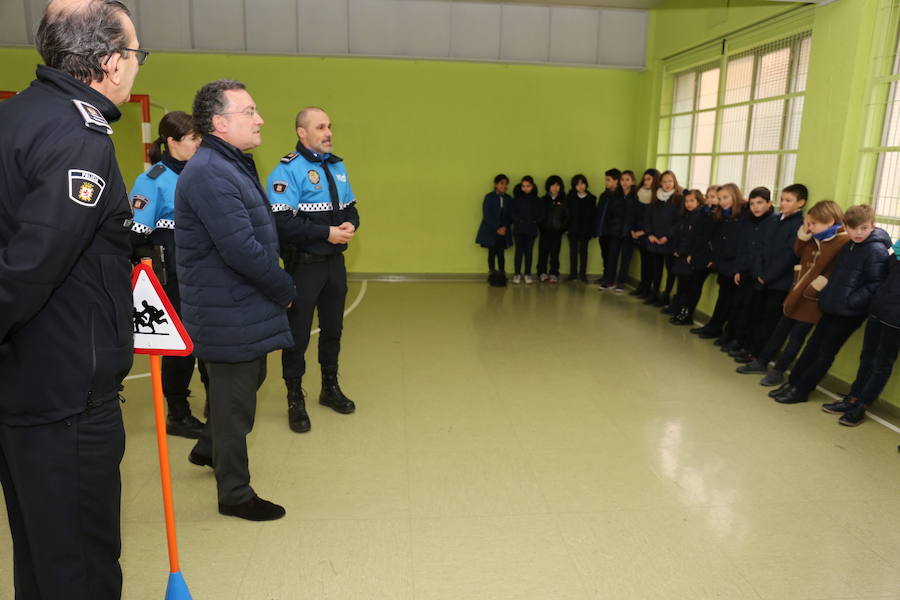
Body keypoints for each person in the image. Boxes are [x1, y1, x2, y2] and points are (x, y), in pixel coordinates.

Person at [0, 1, 143, 597]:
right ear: (111, 63)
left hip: (22, 378)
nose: (137, 65)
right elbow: (32, 266)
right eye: (136, 54)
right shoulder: (79, 134)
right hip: (66, 393)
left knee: (39, 550)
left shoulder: (17, 116)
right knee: (80, 565)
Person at [176, 79, 296, 521]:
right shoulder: (210, 172)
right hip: (228, 308)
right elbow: (241, 249)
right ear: (220, 123)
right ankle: (235, 493)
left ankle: (209, 448)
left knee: (238, 390)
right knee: (234, 404)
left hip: (237, 306)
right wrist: (284, 288)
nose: (260, 118)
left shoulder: (229, 163)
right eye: (249, 112)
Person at [267, 107, 359, 434]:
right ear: (302, 133)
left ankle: (329, 388)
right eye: (321, 127)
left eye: (330, 126)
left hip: (335, 265)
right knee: (298, 335)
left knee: (333, 329)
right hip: (303, 268)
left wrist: (350, 223)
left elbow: (350, 207)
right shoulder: (286, 170)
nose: (328, 132)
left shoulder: (337, 167)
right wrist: (325, 233)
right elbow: (282, 222)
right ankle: (295, 398)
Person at [129, 111, 207, 438]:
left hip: (206, 269)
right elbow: (136, 236)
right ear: (172, 142)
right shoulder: (152, 180)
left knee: (207, 338)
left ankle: (215, 401)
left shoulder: (204, 173)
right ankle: (177, 411)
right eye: (192, 138)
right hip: (173, 272)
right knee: (182, 345)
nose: (198, 144)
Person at [772, 206, 890, 405]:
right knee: (812, 347)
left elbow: (874, 285)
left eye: (864, 228)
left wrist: (850, 302)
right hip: (831, 306)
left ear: (873, 226)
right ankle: (793, 383)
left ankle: (802, 390)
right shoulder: (849, 246)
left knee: (825, 352)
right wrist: (828, 296)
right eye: (853, 228)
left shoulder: (875, 250)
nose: (858, 233)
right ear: (845, 227)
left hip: (849, 313)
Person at [764, 201, 849, 402]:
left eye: (813, 224)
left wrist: (815, 288)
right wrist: (804, 231)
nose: (809, 227)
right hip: (798, 290)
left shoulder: (841, 240)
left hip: (812, 298)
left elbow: (832, 270)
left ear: (829, 222)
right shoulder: (817, 235)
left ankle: (781, 372)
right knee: (782, 328)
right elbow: (798, 250)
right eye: (807, 223)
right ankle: (770, 365)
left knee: (797, 338)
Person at [824, 239, 900, 426]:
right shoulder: (896, 253)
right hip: (878, 310)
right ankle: (853, 398)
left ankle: (862, 406)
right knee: (867, 358)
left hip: (896, 321)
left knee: (881, 365)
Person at [726, 187, 776, 364]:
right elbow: (742, 246)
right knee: (742, 307)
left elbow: (768, 251)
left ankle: (748, 346)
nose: (756, 207)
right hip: (746, 270)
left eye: (760, 203)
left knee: (756, 312)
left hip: (760, 274)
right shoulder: (747, 220)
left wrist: (762, 274)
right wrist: (738, 269)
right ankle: (739, 341)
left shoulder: (773, 221)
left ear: (769, 203)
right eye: (753, 203)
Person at [691, 184, 746, 340]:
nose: (722, 201)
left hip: (735, 265)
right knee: (723, 299)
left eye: (725, 198)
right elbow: (720, 240)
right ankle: (713, 326)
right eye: (720, 198)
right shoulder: (725, 215)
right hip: (723, 263)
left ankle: (726, 332)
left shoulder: (742, 216)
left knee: (732, 302)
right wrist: (715, 260)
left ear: (735, 196)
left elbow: (740, 244)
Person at [668, 189, 714, 325]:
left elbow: (695, 239)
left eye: (692, 201)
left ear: (699, 201)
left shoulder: (701, 216)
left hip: (691, 257)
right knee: (682, 286)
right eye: (686, 201)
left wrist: (686, 253)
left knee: (690, 289)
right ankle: (679, 310)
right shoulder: (687, 216)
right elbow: (681, 235)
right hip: (683, 256)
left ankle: (686, 314)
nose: (688, 204)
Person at [644, 170, 682, 307]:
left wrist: (667, 236)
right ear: (660, 182)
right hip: (655, 239)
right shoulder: (655, 197)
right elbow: (647, 218)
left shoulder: (678, 199)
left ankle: (666, 295)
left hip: (669, 241)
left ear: (674, 182)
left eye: (670, 181)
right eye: (665, 181)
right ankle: (654, 293)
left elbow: (679, 221)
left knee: (670, 269)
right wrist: (650, 234)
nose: (667, 184)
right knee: (656, 268)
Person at [476, 173, 513, 286]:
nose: (504, 186)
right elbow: (487, 215)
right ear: (495, 184)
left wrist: (504, 227)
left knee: (501, 252)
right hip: (491, 230)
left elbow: (510, 216)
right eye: (501, 183)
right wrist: (497, 228)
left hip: (503, 230)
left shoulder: (509, 199)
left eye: (506, 184)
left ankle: (502, 275)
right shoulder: (489, 197)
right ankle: (492, 274)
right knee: (492, 252)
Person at [595, 168, 629, 291]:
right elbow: (599, 213)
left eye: (608, 180)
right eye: (606, 180)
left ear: (616, 181)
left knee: (612, 256)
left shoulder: (620, 197)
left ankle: (611, 279)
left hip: (613, 231)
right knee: (605, 255)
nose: (606, 183)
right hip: (602, 230)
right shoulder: (604, 195)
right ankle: (606, 276)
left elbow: (618, 215)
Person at [629, 169, 658, 298]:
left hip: (649, 234)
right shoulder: (638, 193)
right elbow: (635, 214)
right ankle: (642, 286)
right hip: (638, 233)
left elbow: (653, 219)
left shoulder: (657, 197)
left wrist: (643, 232)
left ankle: (648, 288)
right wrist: (633, 230)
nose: (646, 182)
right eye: (645, 179)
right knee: (644, 262)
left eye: (649, 179)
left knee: (651, 264)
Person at [510, 175, 543, 285]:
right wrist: (518, 221)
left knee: (529, 252)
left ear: (532, 186)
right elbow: (512, 213)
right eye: (523, 186)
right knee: (518, 252)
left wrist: (535, 221)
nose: (525, 188)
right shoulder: (516, 199)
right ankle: (517, 274)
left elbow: (541, 215)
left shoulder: (537, 200)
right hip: (519, 229)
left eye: (528, 186)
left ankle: (528, 274)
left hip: (531, 230)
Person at [536, 175, 567, 283]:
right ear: (548, 187)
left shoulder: (564, 200)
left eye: (557, 185)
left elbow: (567, 217)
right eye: (552, 185)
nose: (555, 187)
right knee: (543, 252)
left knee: (555, 253)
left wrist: (562, 228)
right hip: (544, 231)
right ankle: (542, 272)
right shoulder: (543, 200)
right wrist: (541, 226)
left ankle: (554, 273)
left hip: (557, 232)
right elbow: (538, 216)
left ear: (561, 187)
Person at [567, 174, 597, 282]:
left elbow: (594, 215)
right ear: (574, 186)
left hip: (585, 230)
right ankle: (573, 274)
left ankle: (582, 274)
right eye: (577, 184)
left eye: (582, 183)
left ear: (586, 184)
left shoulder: (592, 198)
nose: (580, 186)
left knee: (584, 252)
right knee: (573, 252)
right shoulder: (570, 197)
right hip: (573, 229)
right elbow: (568, 214)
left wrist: (593, 230)